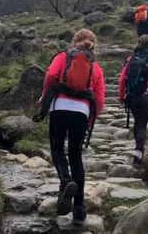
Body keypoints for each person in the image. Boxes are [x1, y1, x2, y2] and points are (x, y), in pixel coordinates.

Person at [41, 29, 105, 226]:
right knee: (76, 155)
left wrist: (45, 97)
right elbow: (100, 98)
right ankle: (79, 208)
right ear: (92, 44)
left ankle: (66, 180)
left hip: (59, 108)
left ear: (73, 42)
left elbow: (51, 75)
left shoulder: (62, 57)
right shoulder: (96, 67)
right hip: (82, 111)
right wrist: (90, 119)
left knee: (57, 148)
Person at [118, 34, 148, 165]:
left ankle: (138, 151)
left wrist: (121, 97)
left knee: (137, 122)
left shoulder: (130, 59)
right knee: (142, 125)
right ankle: (139, 153)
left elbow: (122, 80)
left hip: (132, 97)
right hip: (146, 97)